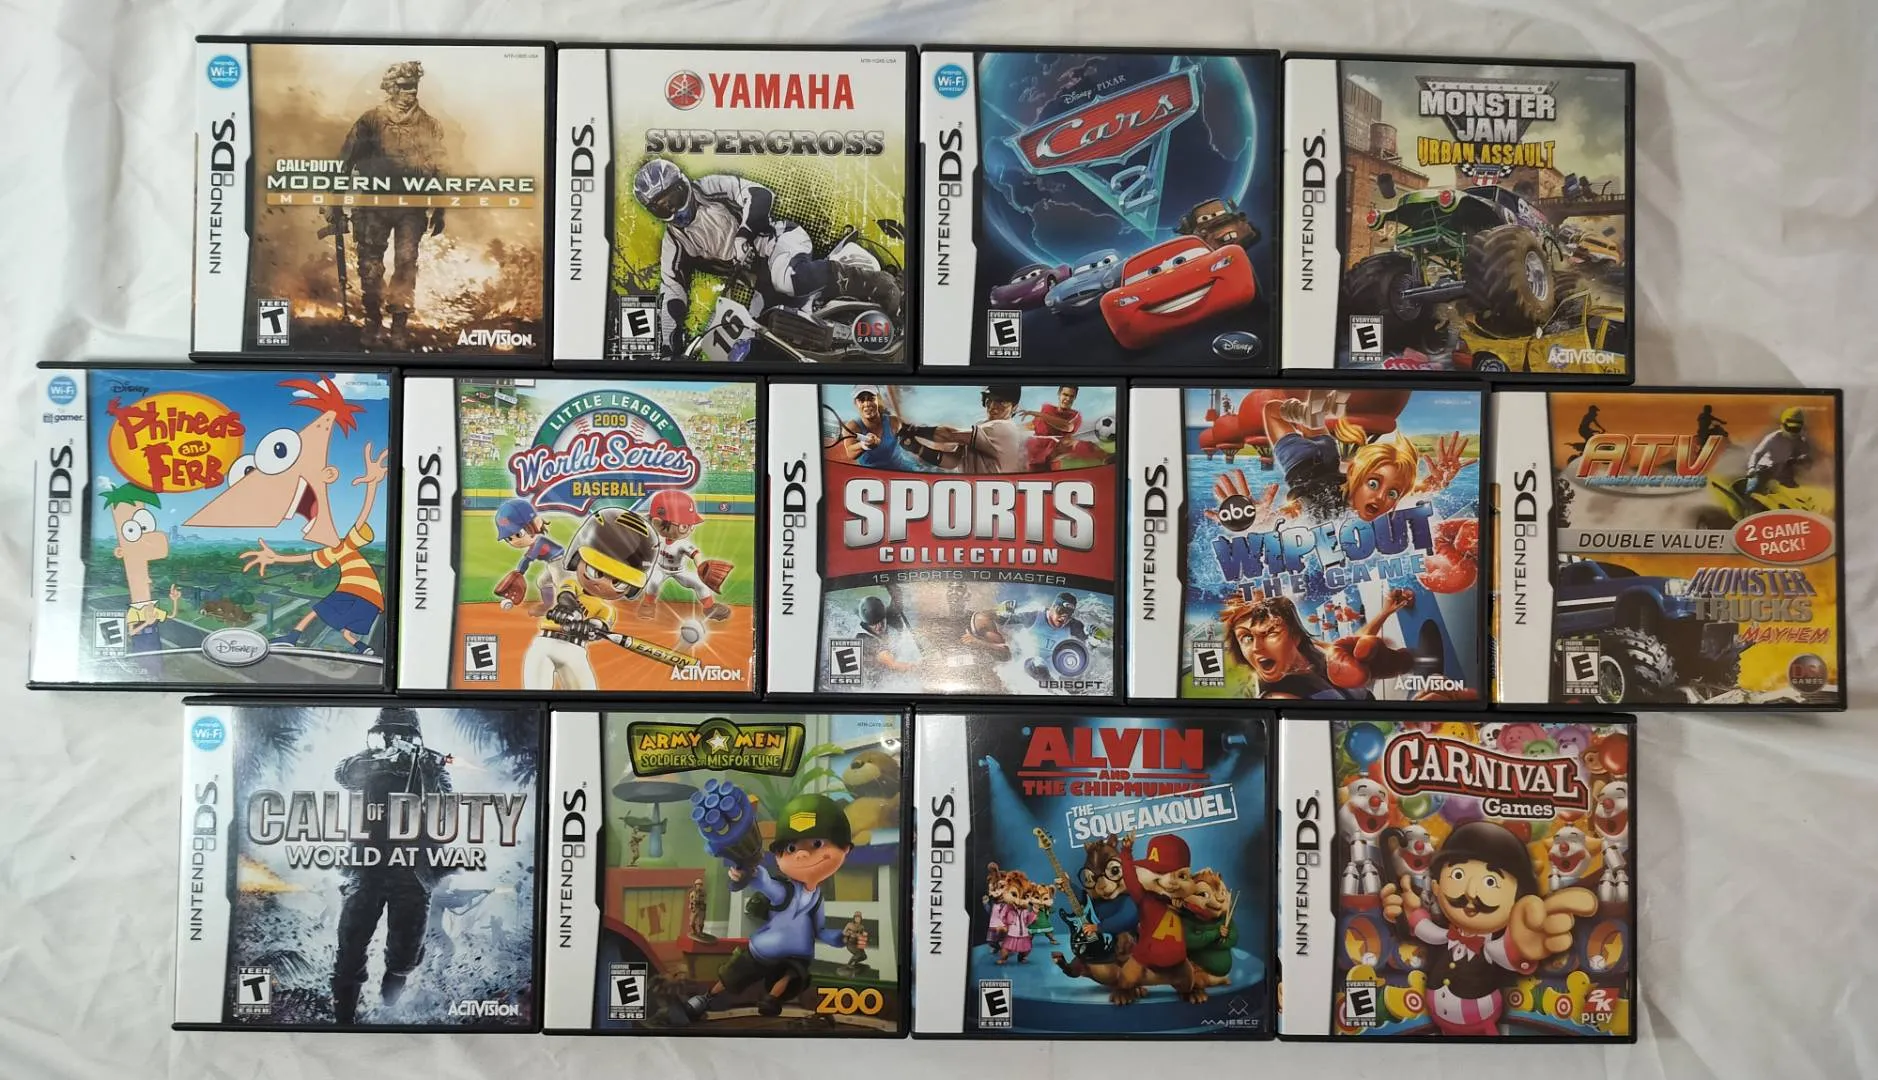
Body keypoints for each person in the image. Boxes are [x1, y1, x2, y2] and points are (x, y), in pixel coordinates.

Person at [187, 378, 387, 655]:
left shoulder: (343, 546)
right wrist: (276, 557)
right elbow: (307, 558)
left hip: (358, 590)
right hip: (368, 596)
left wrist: (373, 485)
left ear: (329, 474)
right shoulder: (334, 551)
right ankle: (362, 649)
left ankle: (292, 637)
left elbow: (361, 519)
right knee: (344, 630)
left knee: (316, 611)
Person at [633, 158, 902, 357]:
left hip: (779, 241)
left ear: (684, 185)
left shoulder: (709, 187)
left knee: (787, 279)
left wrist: (744, 235)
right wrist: (668, 350)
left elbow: (759, 194)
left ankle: (876, 282)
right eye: (663, 207)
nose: (674, 209)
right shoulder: (674, 243)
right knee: (751, 342)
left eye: (675, 197)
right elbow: (673, 294)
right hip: (756, 279)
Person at [681, 794, 862, 1019]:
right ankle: (706, 998)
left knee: (794, 974)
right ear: (778, 855)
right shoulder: (785, 891)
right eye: (791, 848)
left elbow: (821, 931)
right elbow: (765, 882)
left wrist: (843, 938)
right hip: (763, 950)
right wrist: (747, 873)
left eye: (817, 844)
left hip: (796, 957)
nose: (802, 854)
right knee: (733, 976)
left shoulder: (817, 898)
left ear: (845, 849)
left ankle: (771, 999)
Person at [330, 709, 454, 1023]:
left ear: (413, 736)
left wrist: (426, 773)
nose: (393, 738)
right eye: (388, 732)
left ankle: (390, 1001)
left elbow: (445, 807)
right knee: (350, 947)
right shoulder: (367, 760)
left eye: (401, 733)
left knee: (405, 955)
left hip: (411, 872)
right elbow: (344, 774)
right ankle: (343, 1020)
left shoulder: (429, 764)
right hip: (367, 867)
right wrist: (385, 762)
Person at [336, 62, 448, 349]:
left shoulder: (429, 125)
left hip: (411, 207)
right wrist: (334, 203)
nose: (411, 93)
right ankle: (372, 320)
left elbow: (440, 168)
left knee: (407, 263)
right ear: (392, 88)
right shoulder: (371, 121)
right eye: (405, 87)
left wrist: (440, 208)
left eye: (414, 87)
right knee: (370, 266)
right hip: (373, 205)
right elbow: (345, 162)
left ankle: (399, 325)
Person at [523, 507, 658, 690]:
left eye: (618, 582)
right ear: (575, 557)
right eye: (595, 571)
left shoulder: (607, 610)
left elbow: (599, 624)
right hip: (545, 645)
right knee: (536, 692)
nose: (602, 584)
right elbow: (566, 595)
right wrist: (569, 609)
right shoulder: (573, 585)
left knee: (587, 696)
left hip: (575, 652)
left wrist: (590, 628)